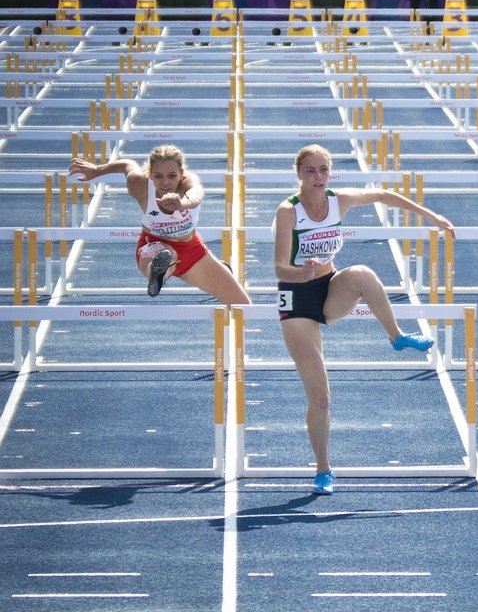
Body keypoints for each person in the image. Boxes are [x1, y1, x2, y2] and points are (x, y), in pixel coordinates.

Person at [274, 144, 455, 495]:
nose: (318, 177)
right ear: (299, 174)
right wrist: (301, 270)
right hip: (295, 298)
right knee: (321, 397)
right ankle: (323, 470)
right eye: (310, 171)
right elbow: (279, 267)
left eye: (324, 170)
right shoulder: (288, 212)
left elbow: (385, 195)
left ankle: (396, 336)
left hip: (328, 287)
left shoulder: (339, 199)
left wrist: (431, 216)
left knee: (363, 274)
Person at [69, 146, 251, 305]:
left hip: (191, 250)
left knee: (242, 304)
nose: (165, 182)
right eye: (158, 176)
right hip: (153, 244)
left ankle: (198, 270)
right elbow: (127, 165)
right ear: (149, 175)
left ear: (181, 174)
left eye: (172, 176)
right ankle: (157, 275)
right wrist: (98, 170)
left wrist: (181, 204)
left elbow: (196, 195)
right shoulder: (138, 184)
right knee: (166, 255)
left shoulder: (189, 182)